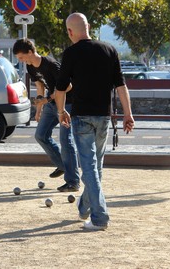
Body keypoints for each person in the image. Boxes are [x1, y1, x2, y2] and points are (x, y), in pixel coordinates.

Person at [55, 13, 134, 231]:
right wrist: (128, 114)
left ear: (70, 32)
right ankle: (83, 206)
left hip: (81, 117)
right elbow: (121, 86)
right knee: (96, 167)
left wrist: (61, 112)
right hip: (104, 116)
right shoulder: (109, 50)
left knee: (89, 168)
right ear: (88, 27)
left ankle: (100, 217)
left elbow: (60, 88)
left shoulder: (71, 53)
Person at [13, 38, 80, 192]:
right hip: (50, 103)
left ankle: (73, 181)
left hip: (67, 103)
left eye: (21, 57)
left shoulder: (51, 64)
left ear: (30, 52)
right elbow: (40, 85)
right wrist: (39, 108)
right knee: (41, 135)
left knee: (66, 140)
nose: (21, 61)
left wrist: (47, 99)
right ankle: (63, 166)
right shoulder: (30, 67)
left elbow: (68, 86)